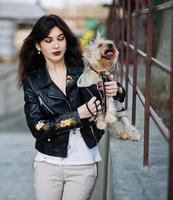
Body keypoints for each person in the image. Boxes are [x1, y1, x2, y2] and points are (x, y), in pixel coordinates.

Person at [17, 14, 125, 200]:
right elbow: (37, 127)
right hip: (47, 163)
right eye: (48, 40)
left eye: (60, 38)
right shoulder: (33, 80)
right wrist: (78, 115)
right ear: (38, 46)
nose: (56, 45)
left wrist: (117, 90)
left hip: (83, 163)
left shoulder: (84, 68)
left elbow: (109, 90)